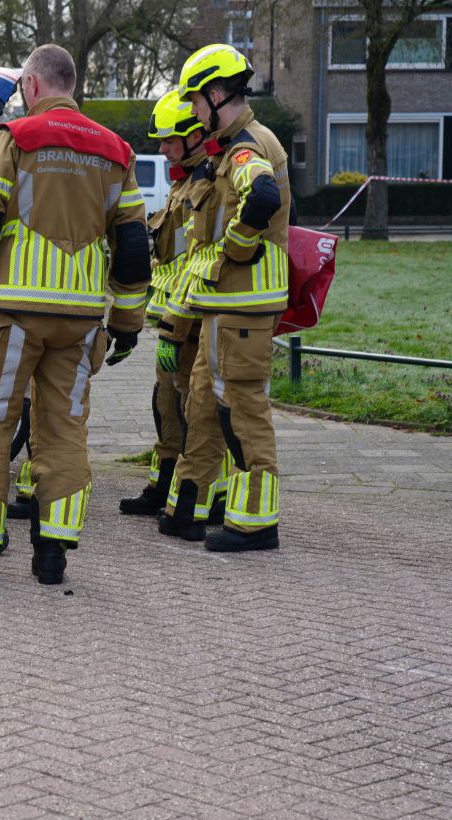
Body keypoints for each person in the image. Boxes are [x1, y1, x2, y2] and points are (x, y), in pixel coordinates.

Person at [0, 44, 151, 585]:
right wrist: (128, 324)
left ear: (33, 85)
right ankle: (53, 553)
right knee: (64, 430)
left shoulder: (16, 139)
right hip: (81, 321)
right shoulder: (117, 152)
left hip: (12, 316)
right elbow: (135, 247)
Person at [159, 44, 290, 552]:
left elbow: (262, 198)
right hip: (224, 305)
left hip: (244, 304)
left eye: (195, 101)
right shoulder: (234, 143)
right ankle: (187, 507)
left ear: (216, 94)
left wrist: (233, 250)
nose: (192, 111)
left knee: (242, 409)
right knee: (206, 407)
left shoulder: (246, 146)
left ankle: (256, 523)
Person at [119, 91, 234, 518]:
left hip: (191, 324)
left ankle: (207, 496)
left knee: (194, 413)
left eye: (169, 140)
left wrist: (175, 327)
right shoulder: (183, 184)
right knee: (165, 405)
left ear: (194, 136)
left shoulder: (209, 188)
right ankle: (163, 484)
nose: (162, 149)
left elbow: (196, 264)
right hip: (172, 323)